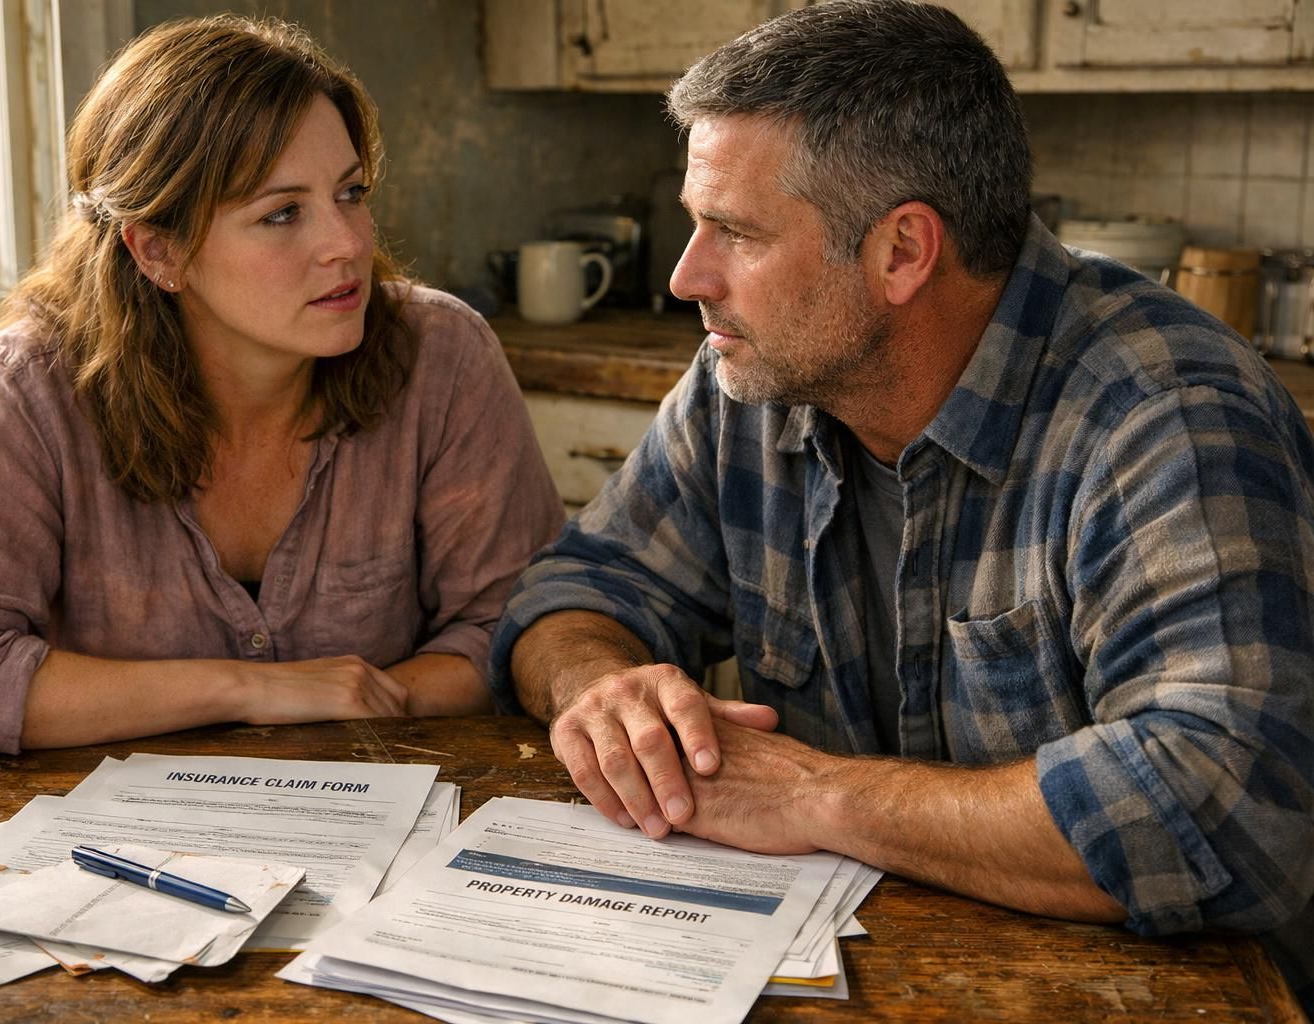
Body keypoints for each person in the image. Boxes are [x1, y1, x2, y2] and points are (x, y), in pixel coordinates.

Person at [489, 0, 1313, 1008]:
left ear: (902, 252)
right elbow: (576, 589)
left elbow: (1230, 810)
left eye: (734, 232)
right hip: (866, 967)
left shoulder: (1166, 412)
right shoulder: (747, 383)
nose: (685, 276)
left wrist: (814, 795)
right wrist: (602, 687)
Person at [0, 15, 563, 756]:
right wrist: (246, 689)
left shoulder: (441, 355)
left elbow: (518, 632)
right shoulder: (37, 382)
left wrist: (349, 703)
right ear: (158, 251)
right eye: (282, 213)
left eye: (351, 192)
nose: (348, 243)